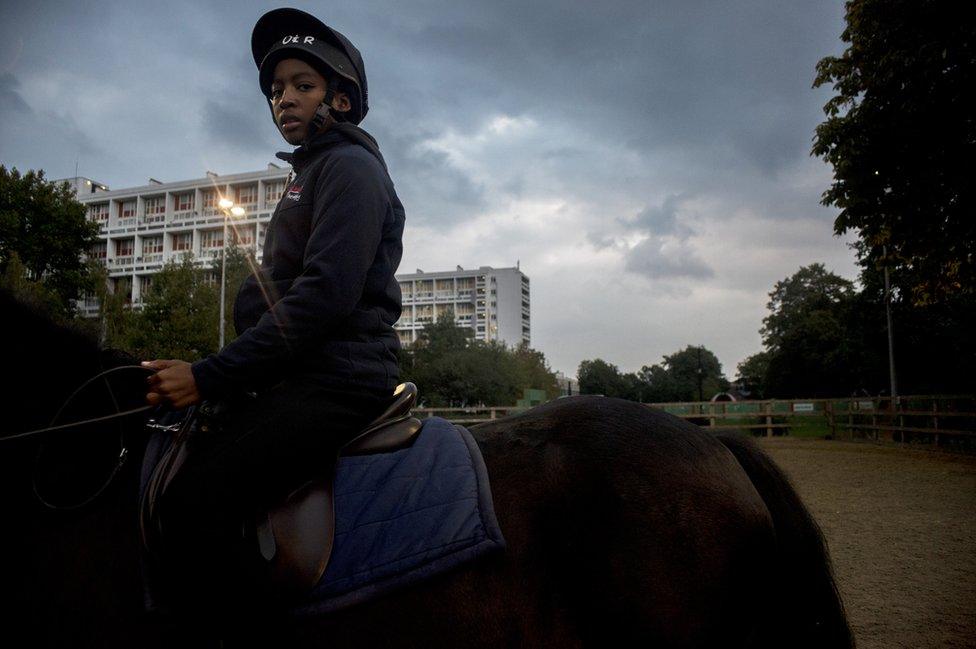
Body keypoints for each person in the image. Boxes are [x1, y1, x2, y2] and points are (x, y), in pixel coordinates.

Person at [142, 7, 406, 613]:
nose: (283, 98)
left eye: (301, 86)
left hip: (337, 377)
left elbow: (324, 297)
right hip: (299, 372)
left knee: (191, 502)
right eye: (276, 88)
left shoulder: (350, 169)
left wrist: (209, 376)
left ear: (339, 101)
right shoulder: (307, 175)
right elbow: (277, 296)